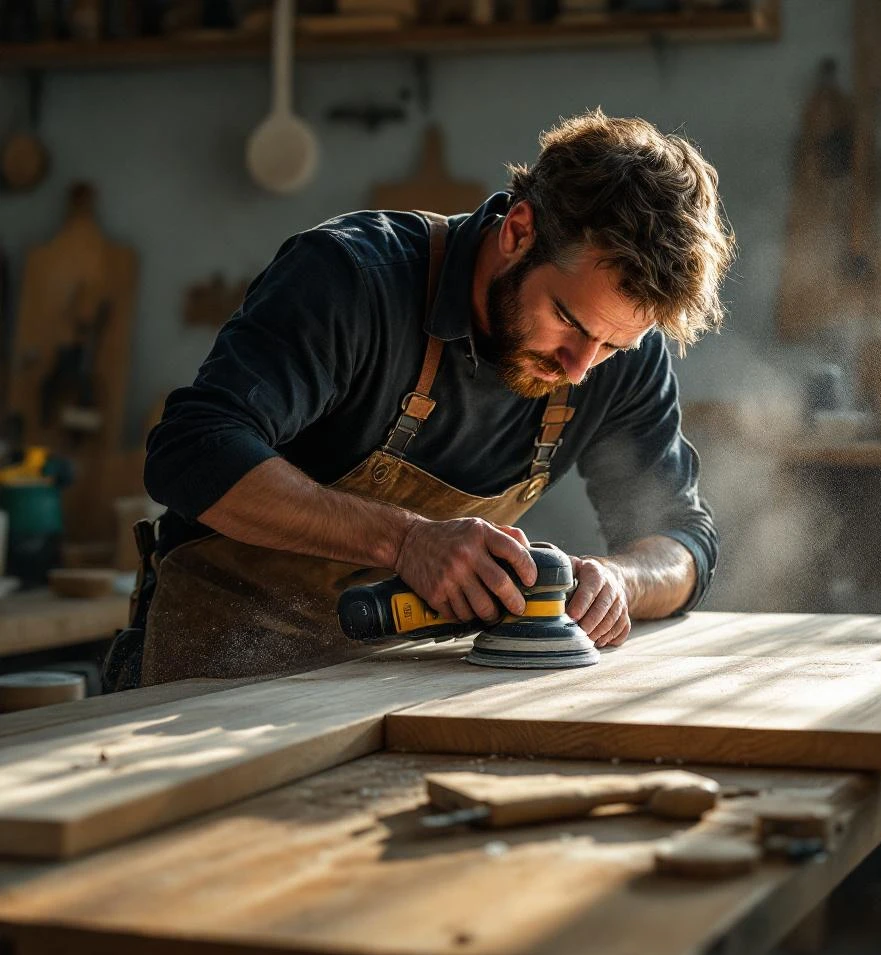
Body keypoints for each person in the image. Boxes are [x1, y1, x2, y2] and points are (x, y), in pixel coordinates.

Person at [130, 110, 733, 688]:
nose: (579, 368)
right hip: (218, 679)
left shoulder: (617, 356)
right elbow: (191, 451)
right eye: (567, 320)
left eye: (611, 346)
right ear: (519, 233)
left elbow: (681, 540)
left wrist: (621, 583)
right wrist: (406, 540)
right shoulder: (353, 278)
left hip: (409, 685)